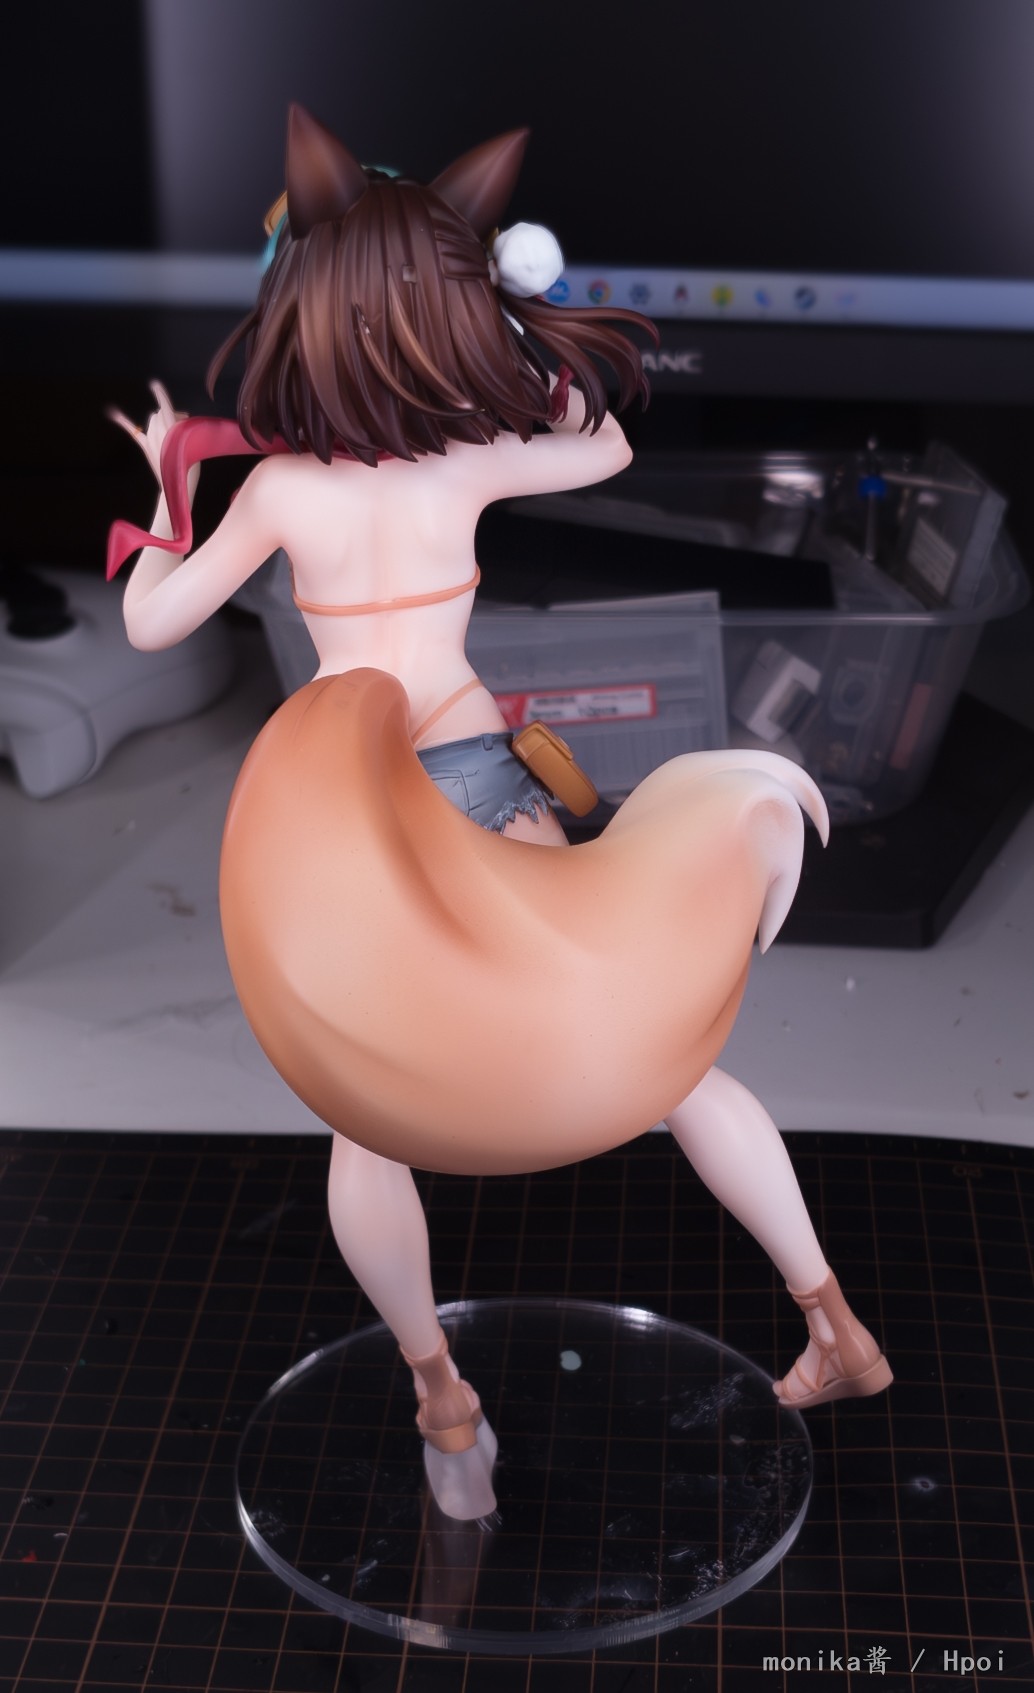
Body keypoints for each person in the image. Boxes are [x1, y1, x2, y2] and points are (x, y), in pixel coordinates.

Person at [110, 106, 890, 1521]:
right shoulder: (467, 459)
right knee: (650, 1052)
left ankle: (441, 1398)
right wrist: (520, 330)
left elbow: (155, 621)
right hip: (480, 774)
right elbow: (601, 443)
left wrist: (172, 489)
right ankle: (832, 1318)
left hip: (359, 825)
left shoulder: (281, 488)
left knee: (366, 1123)